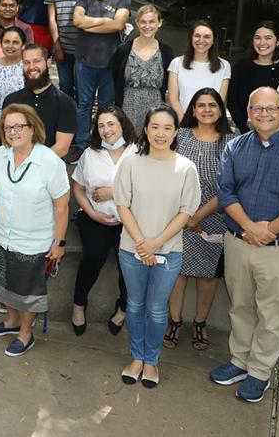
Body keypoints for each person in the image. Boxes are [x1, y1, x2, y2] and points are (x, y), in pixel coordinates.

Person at [210, 87, 279, 403]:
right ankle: (239, 361)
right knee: (241, 306)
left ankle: (259, 371)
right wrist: (249, 227)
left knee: (272, 315)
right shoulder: (235, 148)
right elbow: (227, 192)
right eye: (257, 109)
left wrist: (268, 231)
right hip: (239, 243)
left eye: (271, 108)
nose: (264, 114)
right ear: (248, 111)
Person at [114, 105, 201, 388]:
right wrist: (142, 243)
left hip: (169, 252)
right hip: (131, 250)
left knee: (157, 308)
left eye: (167, 128)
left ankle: (151, 361)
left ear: (175, 132)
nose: (160, 133)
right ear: (145, 129)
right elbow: (122, 204)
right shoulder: (130, 163)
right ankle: (136, 357)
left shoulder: (186, 168)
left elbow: (186, 213)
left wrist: (155, 244)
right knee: (135, 304)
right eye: (155, 127)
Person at [0, 104, 70, 357]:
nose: (13, 132)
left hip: (33, 242)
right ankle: (11, 322)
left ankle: (25, 333)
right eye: (8, 127)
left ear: (33, 128)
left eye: (19, 126)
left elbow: (62, 205)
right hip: (1, 236)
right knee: (4, 285)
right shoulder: (1, 154)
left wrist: (59, 243)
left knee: (27, 292)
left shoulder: (49, 162)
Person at [165, 88, 234, 352]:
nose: (206, 109)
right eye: (200, 105)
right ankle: (175, 321)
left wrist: (197, 217)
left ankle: (200, 323)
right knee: (178, 272)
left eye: (212, 105)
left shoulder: (231, 141)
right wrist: (185, 216)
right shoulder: (179, 136)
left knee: (207, 277)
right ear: (192, 110)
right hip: (177, 214)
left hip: (214, 218)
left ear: (220, 110)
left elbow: (228, 187)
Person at [70, 106, 136, 337]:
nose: (106, 130)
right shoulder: (91, 154)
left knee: (130, 262)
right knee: (93, 255)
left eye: (111, 124)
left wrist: (113, 193)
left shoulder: (138, 154)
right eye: (101, 125)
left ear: (122, 125)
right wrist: (91, 213)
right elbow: (78, 189)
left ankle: (123, 308)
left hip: (129, 222)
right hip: (94, 218)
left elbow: (145, 192)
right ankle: (79, 303)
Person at [71, 0, 131, 158]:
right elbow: (77, 20)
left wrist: (91, 23)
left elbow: (118, 24)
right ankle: (81, 144)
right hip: (84, 60)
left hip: (110, 63)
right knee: (84, 104)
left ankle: (105, 142)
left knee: (107, 106)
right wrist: (106, 21)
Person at [2, 44, 76, 160]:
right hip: (15, 167)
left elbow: (62, 147)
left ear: (47, 62)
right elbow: (7, 140)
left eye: (36, 61)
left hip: (49, 171)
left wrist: (31, 165)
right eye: (26, 62)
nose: (31, 67)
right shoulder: (11, 101)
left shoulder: (65, 103)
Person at [228, 21, 279, 133]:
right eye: (257, 38)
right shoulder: (241, 66)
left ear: (278, 41)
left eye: (268, 38)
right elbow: (232, 101)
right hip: (243, 130)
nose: (262, 42)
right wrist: (245, 130)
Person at [111, 4, 173, 129]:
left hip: (156, 111)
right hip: (128, 108)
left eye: (152, 22)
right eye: (143, 22)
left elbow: (169, 84)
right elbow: (115, 77)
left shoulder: (166, 52)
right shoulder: (123, 50)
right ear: (137, 23)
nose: (147, 26)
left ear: (159, 23)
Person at [45, 0, 93, 100]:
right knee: (65, 87)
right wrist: (56, 45)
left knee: (84, 89)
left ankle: (83, 122)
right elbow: (52, 17)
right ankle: (67, 121)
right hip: (64, 47)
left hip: (87, 48)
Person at [167, 20, 231, 119]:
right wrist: (183, 121)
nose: (201, 40)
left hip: (210, 123)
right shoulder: (176, 63)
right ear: (191, 38)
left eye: (207, 37)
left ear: (214, 40)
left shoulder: (224, 66)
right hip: (182, 122)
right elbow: (173, 98)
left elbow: (220, 101)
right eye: (197, 36)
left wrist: (205, 122)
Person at [0, 26, 27, 113]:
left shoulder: (27, 67)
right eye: (6, 42)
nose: (10, 46)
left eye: (15, 42)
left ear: (23, 46)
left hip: (22, 121)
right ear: (1, 44)